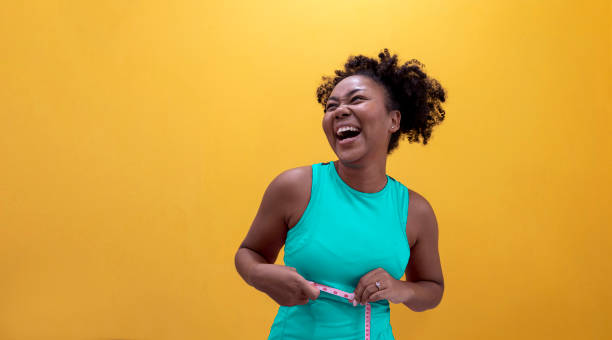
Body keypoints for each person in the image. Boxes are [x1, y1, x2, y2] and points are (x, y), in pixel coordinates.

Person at [235, 48, 447, 339]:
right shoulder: (295, 187)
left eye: (357, 99)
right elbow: (249, 253)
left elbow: (432, 289)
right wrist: (259, 275)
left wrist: (401, 289)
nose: (338, 111)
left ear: (393, 120)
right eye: (330, 106)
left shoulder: (415, 211)